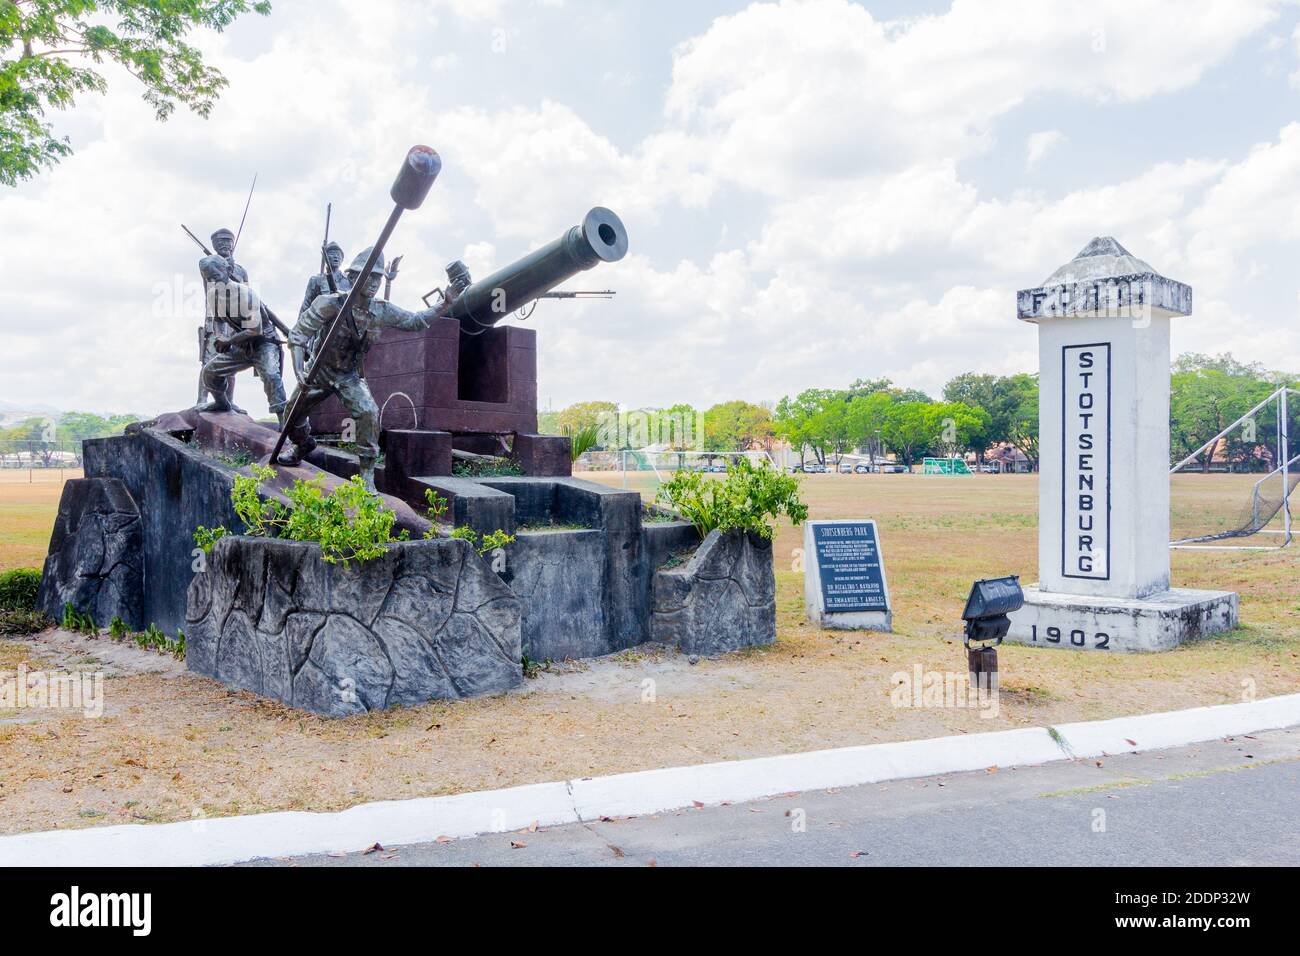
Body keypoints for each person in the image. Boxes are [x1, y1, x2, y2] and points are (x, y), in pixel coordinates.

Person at [279, 247, 471, 491]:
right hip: (319, 371)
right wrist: (299, 371)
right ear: (353, 277)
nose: (373, 282)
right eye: (368, 275)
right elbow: (298, 336)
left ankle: (367, 475)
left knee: (368, 413)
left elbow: (415, 321)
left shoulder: (381, 309)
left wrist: (445, 303)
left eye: (377, 277)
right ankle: (303, 444)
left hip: (349, 376)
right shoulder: (330, 303)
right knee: (291, 415)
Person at [196, 255, 289, 420]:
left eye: (216, 277)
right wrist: (221, 336)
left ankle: (283, 418)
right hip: (241, 345)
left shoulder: (245, 294)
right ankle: (222, 403)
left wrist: (229, 341)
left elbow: (255, 330)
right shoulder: (213, 296)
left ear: (228, 271)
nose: (213, 281)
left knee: (271, 376)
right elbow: (218, 320)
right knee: (209, 372)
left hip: (264, 344)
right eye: (208, 278)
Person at [299, 241, 351, 316]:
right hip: (321, 322)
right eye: (332, 254)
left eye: (338, 254)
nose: (336, 256)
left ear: (342, 259)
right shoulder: (316, 280)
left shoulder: (349, 280)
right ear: (325, 257)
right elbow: (306, 305)